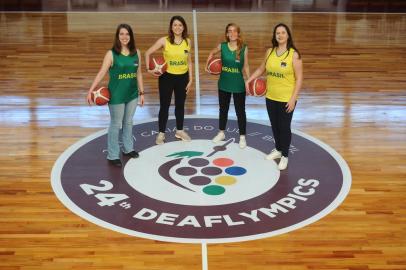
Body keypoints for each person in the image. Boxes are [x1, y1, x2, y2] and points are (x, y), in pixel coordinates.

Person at [246, 23, 303, 170]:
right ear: (275, 36)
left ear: (288, 35)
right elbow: (261, 69)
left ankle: (285, 156)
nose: (280, 35)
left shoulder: (294, 54)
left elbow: (300, 78)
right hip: (271, 96)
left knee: (284, 127)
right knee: (275, 125)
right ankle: (278, 149)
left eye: (283, 32)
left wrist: (293, 99)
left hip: (286, 98)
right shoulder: (270, 52)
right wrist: (250, 79)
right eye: (278, 33)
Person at [87, 23, 145, 167]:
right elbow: (101, 72)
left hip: (132, 94)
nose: (124, 37)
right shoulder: (111, 54)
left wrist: (142, 92)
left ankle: (128, 148)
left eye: (127, 34)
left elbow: (139, 73)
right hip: (117, 95)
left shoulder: (136, 52)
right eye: (121, 34)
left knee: (129, 122)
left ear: (131, 36)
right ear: (117, 36)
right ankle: (112, 155)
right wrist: (91, 90)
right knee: (115, 124)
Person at [145, 15, 193, 145]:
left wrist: (191, 79)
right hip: (167, 77)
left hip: (183, 77)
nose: (177, 27)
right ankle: (161, 134)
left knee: (180, 106)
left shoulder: (188, 41)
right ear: (171, 27)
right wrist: (149, 69)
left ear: (184, 27)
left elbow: (189, 62)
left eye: (180, 25)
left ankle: (180, 131)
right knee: (164, 106)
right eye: (175, 25)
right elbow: (147, 53)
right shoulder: (164, 41)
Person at [206, 23, 250, 149]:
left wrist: (249, 80)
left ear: (238, 33)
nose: (232, 33)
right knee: (223, 109)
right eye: (229, 31)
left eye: (235, 31)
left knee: (240, 111)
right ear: (226, 34)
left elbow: (246, 65)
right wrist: (208, 64)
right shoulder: (222, 46)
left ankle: (242, 137)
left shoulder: (244, 48)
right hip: (224, 83)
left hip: (238, 84)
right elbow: (212, 52)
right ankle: (221, 133)